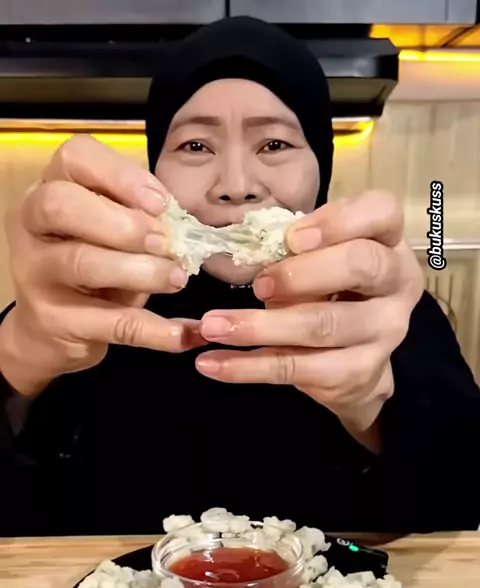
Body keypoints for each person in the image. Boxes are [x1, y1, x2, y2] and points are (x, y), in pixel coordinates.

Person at [0, 16, 479, 537]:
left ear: (322, 165)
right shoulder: (91, 300)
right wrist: (18, 359)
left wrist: (373, 404)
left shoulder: (376, 308)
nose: (235, 184)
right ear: (153, 171)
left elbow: (457, 502)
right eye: (195, 146)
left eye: (274, 145)